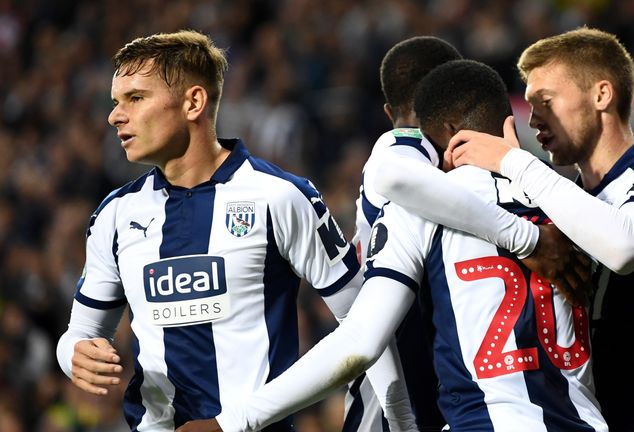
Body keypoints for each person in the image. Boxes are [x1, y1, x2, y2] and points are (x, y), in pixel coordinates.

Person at [178, 59, 608, 432]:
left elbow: (360, 343)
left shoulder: (419, 208)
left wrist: (230, 422)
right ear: (509, 124)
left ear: (438, 134)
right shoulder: (575, 203)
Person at [55, 30, 416, 431]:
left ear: (194, 102)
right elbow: (81, 332)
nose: (115, 116)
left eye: (136, 98)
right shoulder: (116, 214)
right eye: (116, 102)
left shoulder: (280, 196)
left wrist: (401, 421)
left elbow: (366, 325)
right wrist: (74, 353)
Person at [445, 27, 634, 431]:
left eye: (545, 101)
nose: (533, 119)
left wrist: (515, 163)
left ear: (601, 95)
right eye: (529, 105)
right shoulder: (556, 197)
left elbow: (624, 245)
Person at [348, 36, 593, 432]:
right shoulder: (405, 148)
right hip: (411, 377)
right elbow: (393, 175)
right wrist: (524, 237)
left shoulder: (455, 187)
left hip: (430, 383)